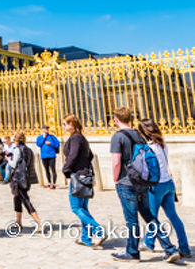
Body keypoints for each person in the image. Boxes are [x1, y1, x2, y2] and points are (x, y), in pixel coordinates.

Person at [110, 107, 179, 263]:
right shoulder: (138, 135)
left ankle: (132, 252)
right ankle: (169, 248)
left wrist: (115, 179)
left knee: (131, 219)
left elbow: (116, 162)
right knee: (149, 216)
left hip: (126, 182)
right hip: (142, 181)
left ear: (116, 119)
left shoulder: (118, 137)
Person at [138, 118, 191, 258]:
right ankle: (184, 247)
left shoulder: (147, 147)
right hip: (168, 183)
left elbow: (146, 170)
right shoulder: (162, 142)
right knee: (173, 216)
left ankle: (155, 245)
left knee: (152, 217)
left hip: (156, 186)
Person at [62, 114, 107, 247]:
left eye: (65, 124)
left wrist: (66, 169)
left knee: (76, 207)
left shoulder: (75, 138)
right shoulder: (81, 138)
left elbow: (73, 155)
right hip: (85, 175)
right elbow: (90, 155)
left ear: (72, 125)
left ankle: (99, 231)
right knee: (83, 208)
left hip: (78, 176)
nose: (63, 126)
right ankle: (85, 238)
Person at [8, 131, 43, 232]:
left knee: (25, 200)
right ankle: (18, 222)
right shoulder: (29, 150)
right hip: (26, 178)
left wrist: (8, 159)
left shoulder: (17, 150)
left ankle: (39, 222)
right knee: (17, 199)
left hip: (18, 178)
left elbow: (13, 164)